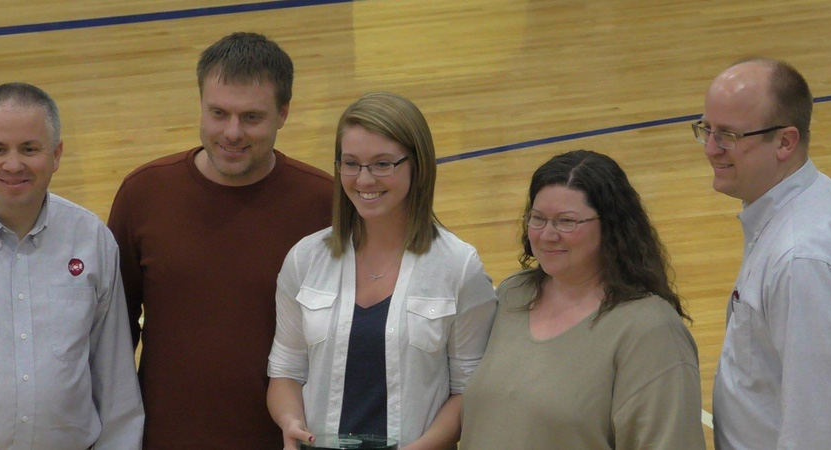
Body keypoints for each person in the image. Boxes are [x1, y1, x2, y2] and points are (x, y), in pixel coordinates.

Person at [107, 32, 332, 449]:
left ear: (283, 113)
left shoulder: (324, 204)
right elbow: (113, 334)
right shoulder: (144, 193)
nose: (232, 132)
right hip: (163, 440)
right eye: (218, 113)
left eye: (251, 117)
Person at [0, 82, 143, 449]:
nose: (13, 164)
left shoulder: (92, 239)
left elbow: (115, 383)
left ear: (56, 154)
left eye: (29, 149)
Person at [267, 92, 497, 449]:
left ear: (417, 166)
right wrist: (290, 422)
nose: (364, 179)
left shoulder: (459, 267)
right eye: (351, 163)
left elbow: (468, 390)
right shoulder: (305, 259)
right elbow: (286, 370)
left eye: (382, 164)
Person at [460, 150, 705, 449]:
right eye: (538, 219)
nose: (547, 235)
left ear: (611, 227)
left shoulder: (650, 330)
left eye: (567, 222)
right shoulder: (514, 294)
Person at [700, 58, 831, 449]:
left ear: (785, 142)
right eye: (706, 129)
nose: (710, 148)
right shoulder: (795, 205)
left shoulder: (804, 258)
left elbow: (820, 427)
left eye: (727, 135)